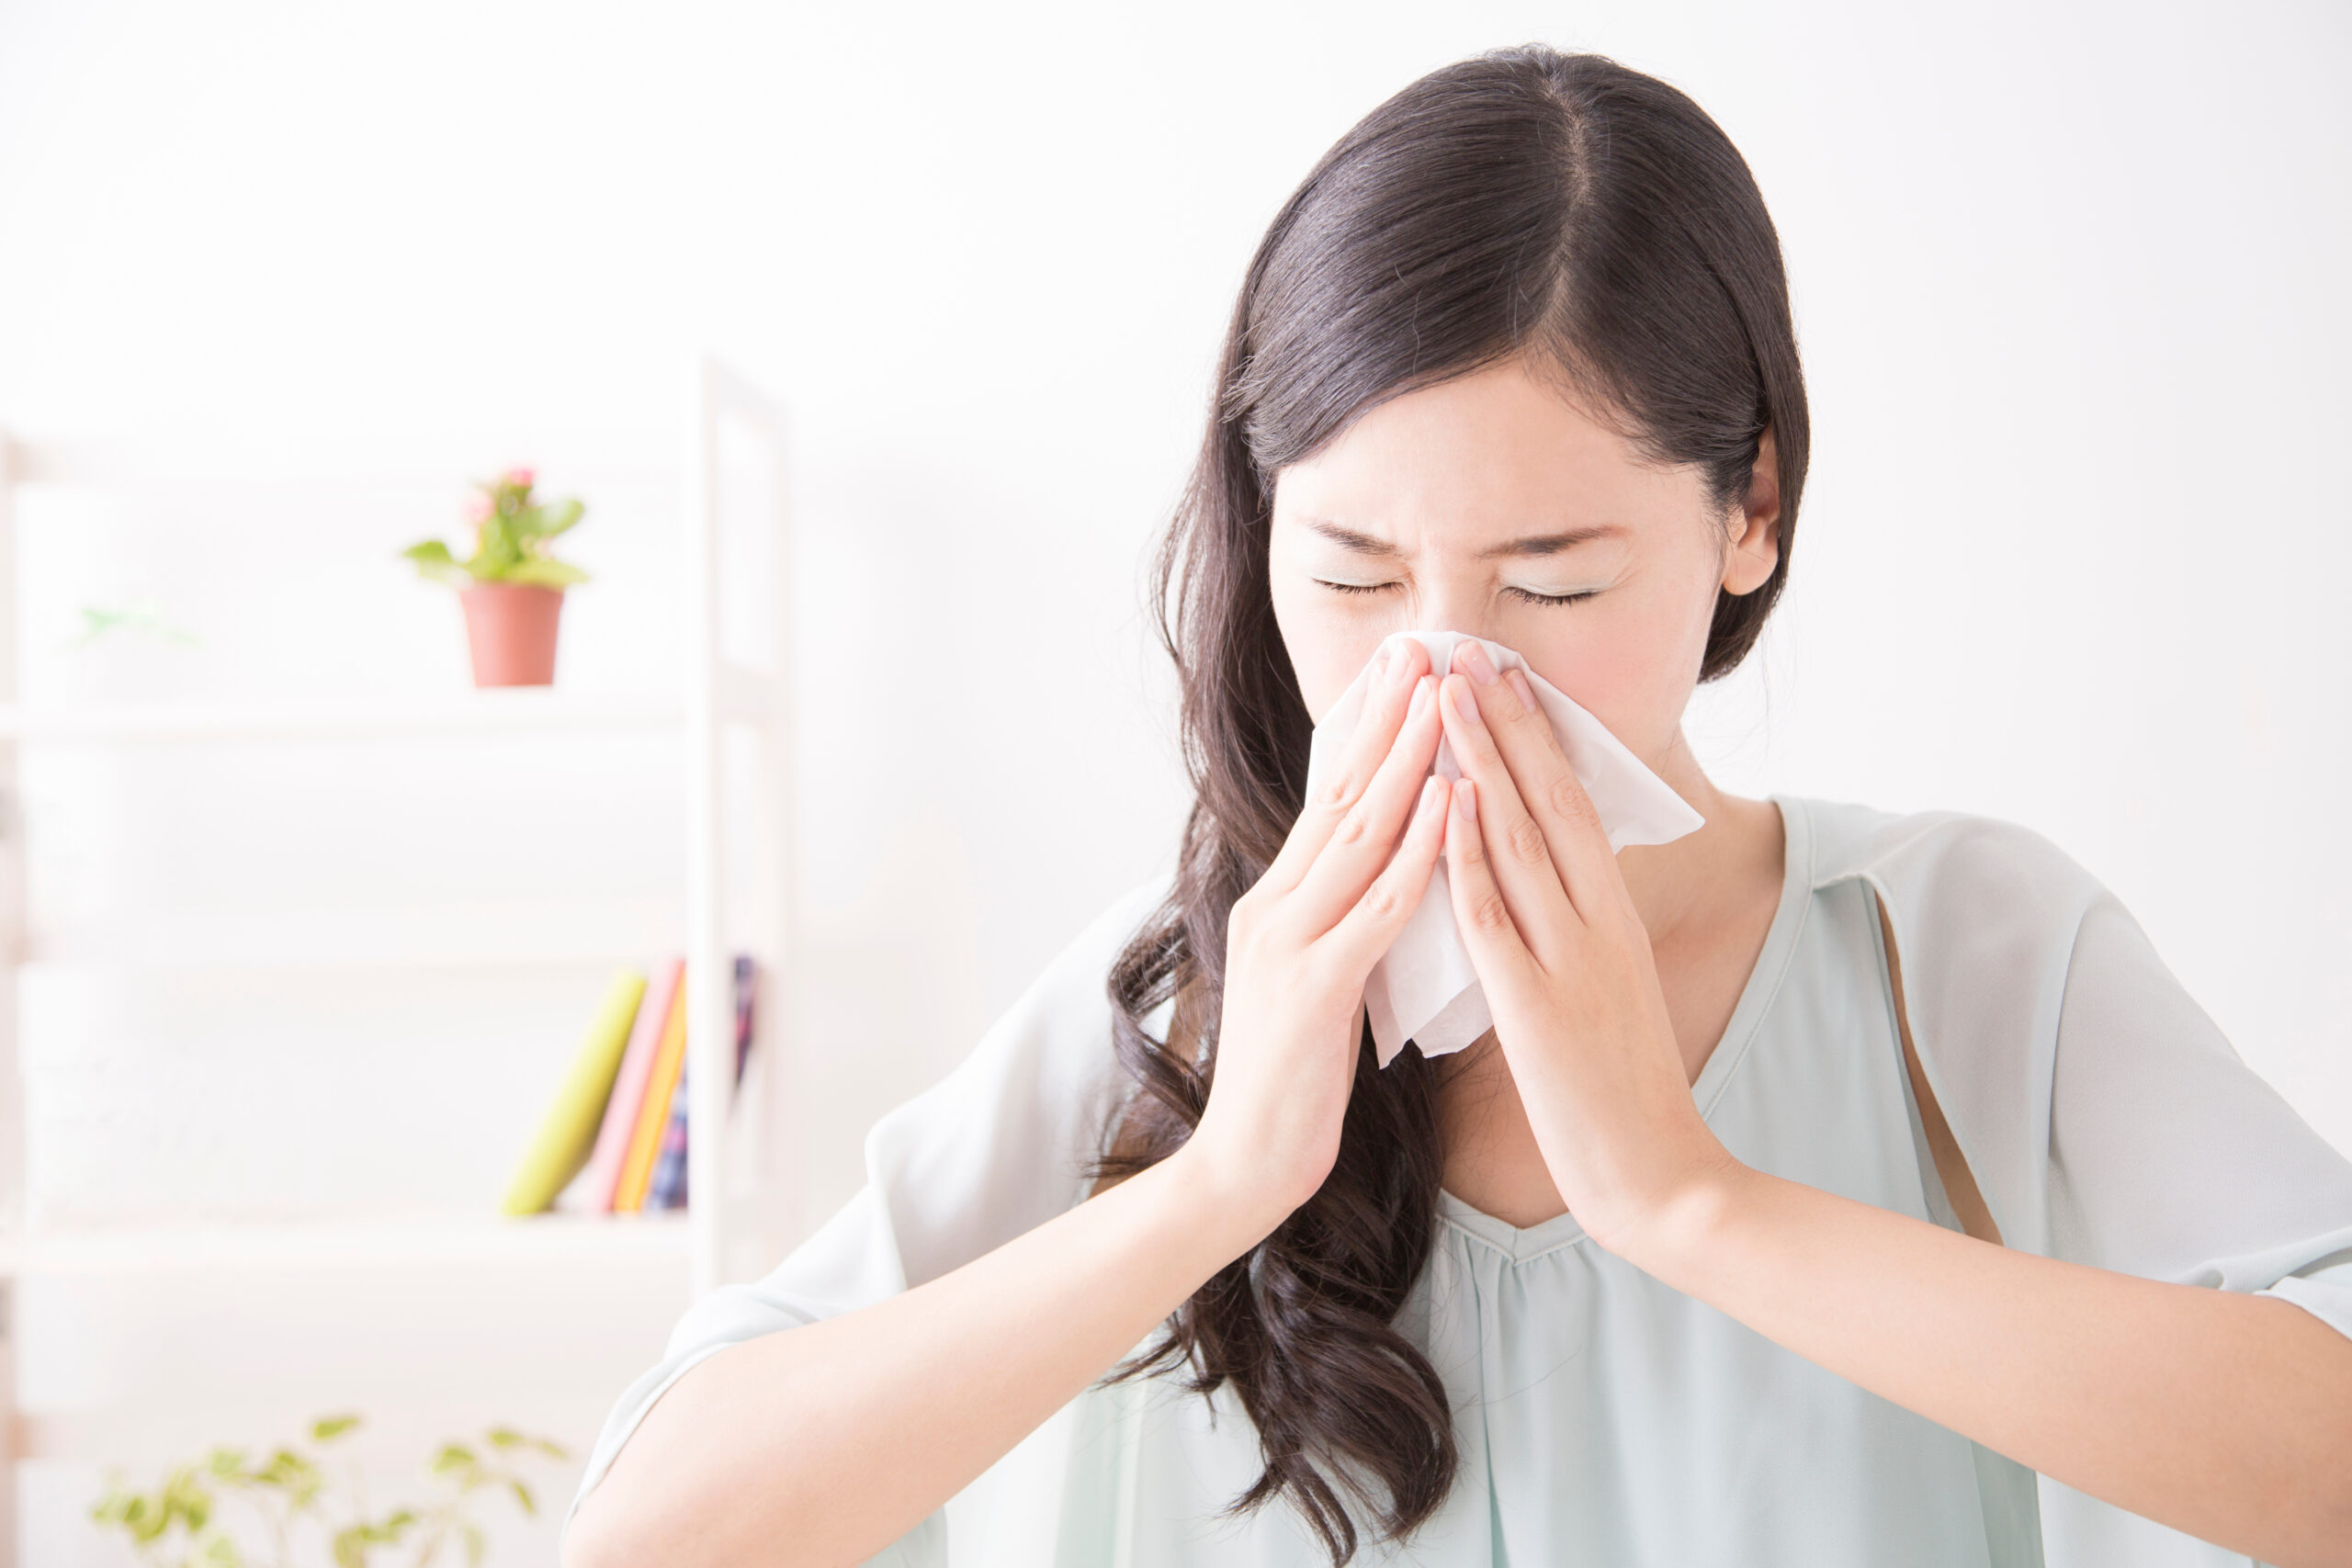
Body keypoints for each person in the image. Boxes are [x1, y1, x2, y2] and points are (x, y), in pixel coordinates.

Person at [558, 46, 2352, 1568]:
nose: (1441, 672)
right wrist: (1218, 1177)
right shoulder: (1175, 1000)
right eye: (1349, 574)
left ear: (1748, 513)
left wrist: (1684, 1192)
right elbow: (648, 1524)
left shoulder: (1953, 946)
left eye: (1551, 583)